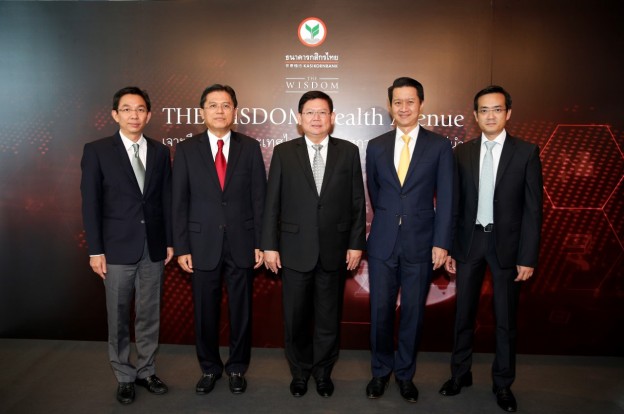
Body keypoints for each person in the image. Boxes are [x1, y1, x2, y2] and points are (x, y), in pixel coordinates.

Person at [438, 85, 543, 413]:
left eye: (497, 109)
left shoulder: (526, 152)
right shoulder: (463, 153)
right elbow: (454, 204)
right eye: (484, 110)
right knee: (463, 314)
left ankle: (503, 384)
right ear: (475, 115)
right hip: (469, 243)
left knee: (505, 320)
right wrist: (450, 247)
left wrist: (527, 256)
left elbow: (533, 210)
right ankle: (460, 374)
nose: (490, 115)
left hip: (507, 247)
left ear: (508, 113)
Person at [262, 91, 366, 398]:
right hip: (294, 250)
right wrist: (269, 246)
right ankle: (299, 372)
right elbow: (272, 203)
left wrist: (356, 244)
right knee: (295, 318)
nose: (316, 118)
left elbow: (357, 202)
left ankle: (323, 373)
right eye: (310, 112)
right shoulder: (284, 152)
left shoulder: (348, 151)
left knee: (328, 318)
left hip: (335, 250)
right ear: (299, 118)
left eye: (322, 112)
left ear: (332, 118)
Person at [80, 86, 173, 405]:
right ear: (115, 114)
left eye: (140, 109)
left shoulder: (160, 152)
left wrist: (169, 241)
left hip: (153, 248)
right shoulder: (97, 151)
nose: (134, 115)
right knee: (118, 315)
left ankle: (146, 370)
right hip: (116, 249)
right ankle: (123, 375)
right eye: (127, 109)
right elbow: (90, 204)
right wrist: (95, 250)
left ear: (149, 115)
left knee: (149, 313)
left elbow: (165, 200)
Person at [172, 84, 266, 396]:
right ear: (202, 112)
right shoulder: (186, 149)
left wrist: (261, 242)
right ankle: (209, 368)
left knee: (241, 311)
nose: (219, 111)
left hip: (243, 242)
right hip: (201, 245)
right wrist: (182, 246)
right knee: (205, 312)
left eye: (226, 105)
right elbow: (179, 202)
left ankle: (237, 367)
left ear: (234, 111)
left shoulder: (250, 147)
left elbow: (259, 198)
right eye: (213, 105)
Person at [365, 77, 453, 403]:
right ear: (391, 106)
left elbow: (447, 198)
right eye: (398, 102)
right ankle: (380, 372)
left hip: (422, 243)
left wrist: (441, 242)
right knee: (380, 312)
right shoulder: (376, 146)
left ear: (421, 105)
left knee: (413, 313)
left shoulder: (439, 146)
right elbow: (376, 193)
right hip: (383, 242)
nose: (404, 108)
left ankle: (405, 374)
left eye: (410, 101)